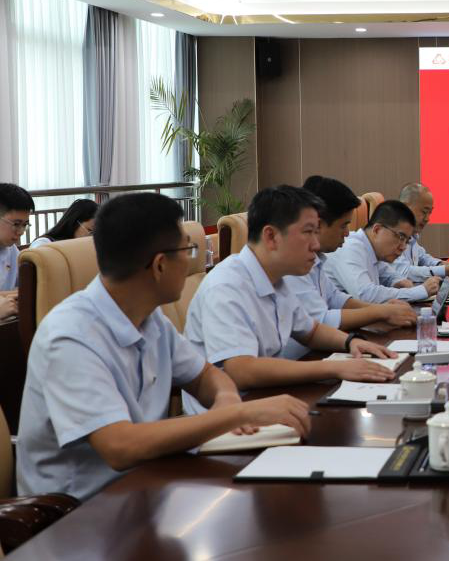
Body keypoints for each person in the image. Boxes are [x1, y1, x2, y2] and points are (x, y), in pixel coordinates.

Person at [16, 193, 311, 501]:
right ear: (159, 265)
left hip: (147, 483)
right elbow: (120, 446)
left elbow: (203, 375)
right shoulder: (70, 337)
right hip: (80, 511)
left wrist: (226, 399)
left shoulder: (149, 318)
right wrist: (236, 415)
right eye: (188, 250)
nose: (192, 262)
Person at [183, 186, 397, 414]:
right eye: (308, 232)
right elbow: (242, 370)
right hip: (227, 418)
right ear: (271, 236)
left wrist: (351, 342)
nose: (316, 244)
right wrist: (334, 368)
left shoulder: (277, 278)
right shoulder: (227, 286)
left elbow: (311, 331)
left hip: (266, 399)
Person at [280, 177, 416, 359]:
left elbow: (334, 298)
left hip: (316, 354)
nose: (347, 233)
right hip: (301, 361)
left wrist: (381, 313)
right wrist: (379, 312)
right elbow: (321, 320)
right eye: (343, 225)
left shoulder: (313, 258)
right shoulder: (289, 265)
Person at [328, 200, 440, 302]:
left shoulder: (374, 251)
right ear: (377, 230)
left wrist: (398, 282)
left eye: (406, 241)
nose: (403, 247)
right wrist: (419, 291)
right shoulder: (350, 247)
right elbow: (366, 295)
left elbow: (390, 276)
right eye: (401, 237)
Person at [393, 183, 449, 281]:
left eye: (429, 213)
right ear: (405, 207)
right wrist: (446, 270)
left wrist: (442, 264)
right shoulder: (391, 235)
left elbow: (423, 257)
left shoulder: (412, 235)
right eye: (424, 212)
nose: (427, 219)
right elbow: (405, 272)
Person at [0, 183, 34, 320]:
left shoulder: (12, 250)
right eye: (16, 224)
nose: (21, 232)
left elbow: (26, 291)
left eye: (24, 225)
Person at [27, 198, 97, 249]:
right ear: (74, 223)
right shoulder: (44, 243)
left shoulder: (88, 247)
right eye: (90, 231)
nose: (93, 237)